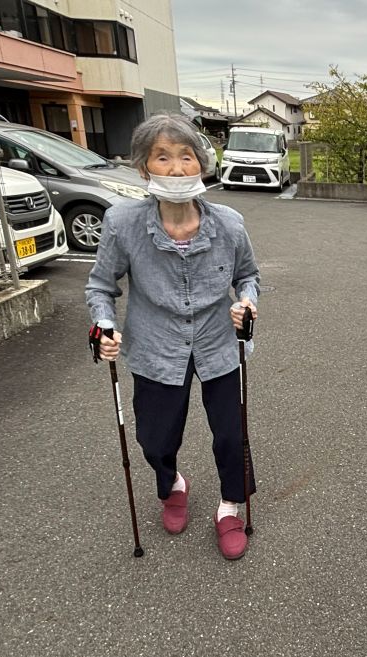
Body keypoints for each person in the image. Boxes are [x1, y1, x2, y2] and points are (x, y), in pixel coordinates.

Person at [86, 113, 260, 561]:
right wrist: (104, 327)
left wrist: (247, 301)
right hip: (156, 345)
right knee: (155, 440)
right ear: (145, 169)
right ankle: (172, 484)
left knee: (229, 435)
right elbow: (101, 286)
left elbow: (248, 275)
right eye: (163, 157)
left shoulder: (229, 223)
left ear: (202, 165)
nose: (178, 168)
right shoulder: (122, 223)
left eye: (187, 157)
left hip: (220, 342)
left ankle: (229, 507)